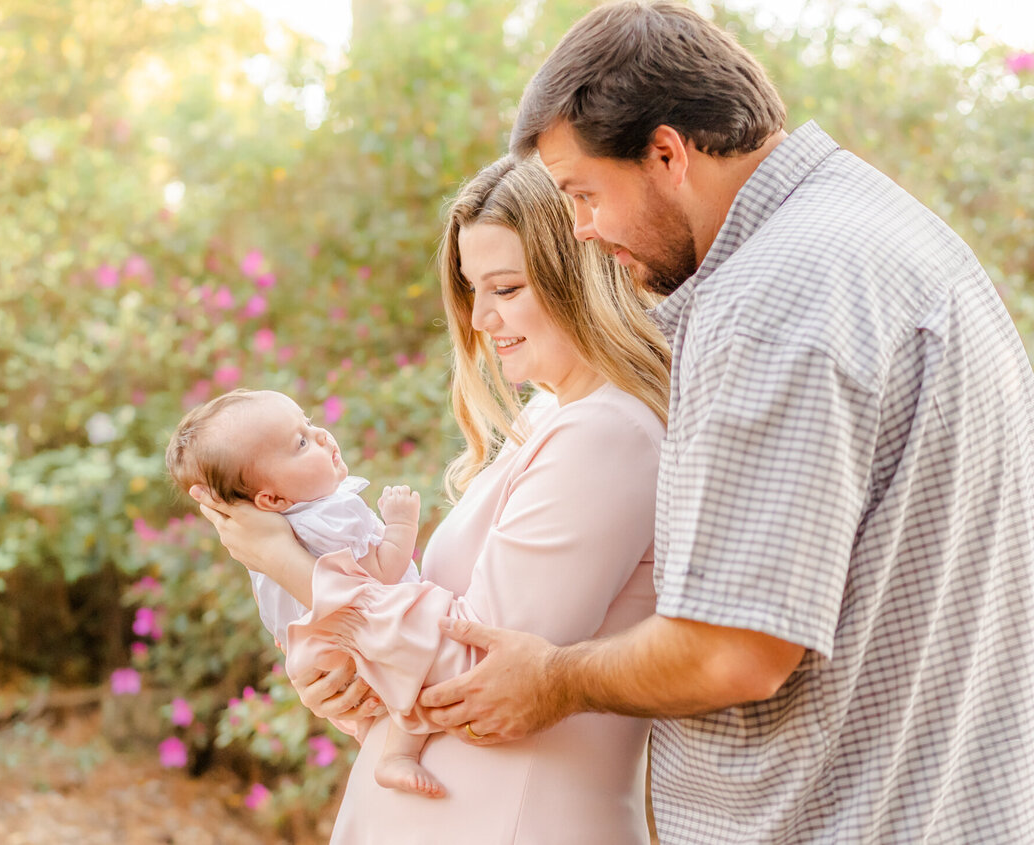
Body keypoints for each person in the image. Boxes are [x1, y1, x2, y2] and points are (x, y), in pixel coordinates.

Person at [411, 2, 1034, 842]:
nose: (586, 231)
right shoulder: (891, 236)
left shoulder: (772, 297)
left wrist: (555, 679)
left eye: (585, 194)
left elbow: (733, 649)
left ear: (668, 152)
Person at [190, 156, 673, 843]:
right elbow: (418, 662)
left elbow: (477, 677)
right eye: (473, 289)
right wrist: (345, 684)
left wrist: (292, 566)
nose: (481, 317)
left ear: (580, 272)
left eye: (505, 287)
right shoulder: (543, 417)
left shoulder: (607, 435)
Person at [164, 388, 446, 798]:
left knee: (377, 705)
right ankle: (396, 755)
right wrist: (402, 525)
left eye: (309, 424)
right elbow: (380, 581)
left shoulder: (273, 536)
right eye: (300, 443)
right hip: (356, 643)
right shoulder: (328, 519)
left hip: (318, 656)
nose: (322, 436)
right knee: (414, 675)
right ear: (272, 498)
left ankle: (375, 744)